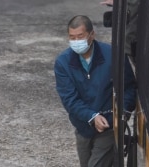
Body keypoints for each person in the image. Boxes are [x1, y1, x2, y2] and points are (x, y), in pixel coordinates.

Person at [54, 15, 136, 167]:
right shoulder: (63, 62)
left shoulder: (114, 56)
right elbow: (69, 99)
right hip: (83, 127)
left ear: (92, 35)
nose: (76, 41)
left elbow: (129, 87)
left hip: (110, 127)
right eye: (72, 37)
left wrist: (121, 114)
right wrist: (91, 117)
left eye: (80, 36)